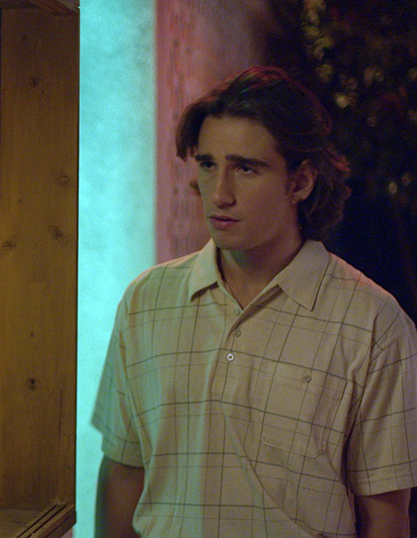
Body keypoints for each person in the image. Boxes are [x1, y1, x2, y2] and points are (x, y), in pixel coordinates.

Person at [93, 66, 417, 537]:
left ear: (300, 182)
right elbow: (124, 470)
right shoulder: (147, 300)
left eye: (245, 168)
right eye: (208, 165)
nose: (219, 193)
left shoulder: (371, 322)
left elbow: (385, 514)